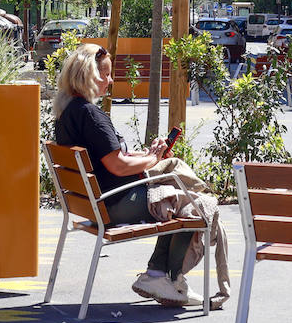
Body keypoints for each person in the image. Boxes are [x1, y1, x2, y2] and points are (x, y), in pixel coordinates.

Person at [52, 43, 201, 307]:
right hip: (115, 204)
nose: (110, 81)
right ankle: (166, 276)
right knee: (193, 205)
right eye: (105, 74)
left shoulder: (67, 113)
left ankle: (158, 276)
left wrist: (148, 156)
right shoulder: (91, 115)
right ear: (87, 75)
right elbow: (118, 167)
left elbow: (109, 158)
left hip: (92, 204)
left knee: (174, 194)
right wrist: (154, 159)